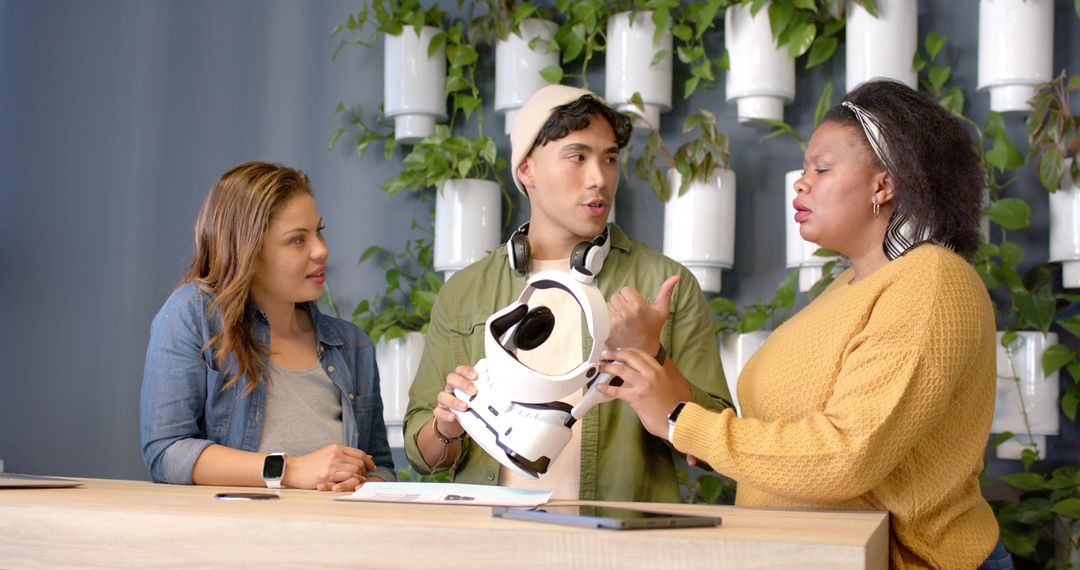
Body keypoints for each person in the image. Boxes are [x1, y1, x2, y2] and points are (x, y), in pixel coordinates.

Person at [598, 79, 1010, 569]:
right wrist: (654, 360)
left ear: (885, 183)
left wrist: (680, 422)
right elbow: (771, 444)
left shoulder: (932, 283)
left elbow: (845, 456)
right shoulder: (846, 290)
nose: (801, 181)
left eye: (823, 168)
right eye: (804, 168)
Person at [403, 85, 732, 502]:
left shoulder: (664, 283)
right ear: (527, 170)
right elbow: (422, 453)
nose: (599, 178)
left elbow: (716, 443)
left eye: (609, 159)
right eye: (577, 157)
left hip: (615, 551)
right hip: (488, 545)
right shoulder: (465, 292)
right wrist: (447, 426)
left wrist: (652, 356)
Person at [140, 161, 394, 491]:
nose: (321, 250)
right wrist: (291, 470)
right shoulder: (194, 314)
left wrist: (363, 482)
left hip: (334, 537)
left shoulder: (353, 345)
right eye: (297, 240)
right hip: (231, 537)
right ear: (247, 251)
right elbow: (166, 453)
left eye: (319, 231)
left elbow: (381, 466)